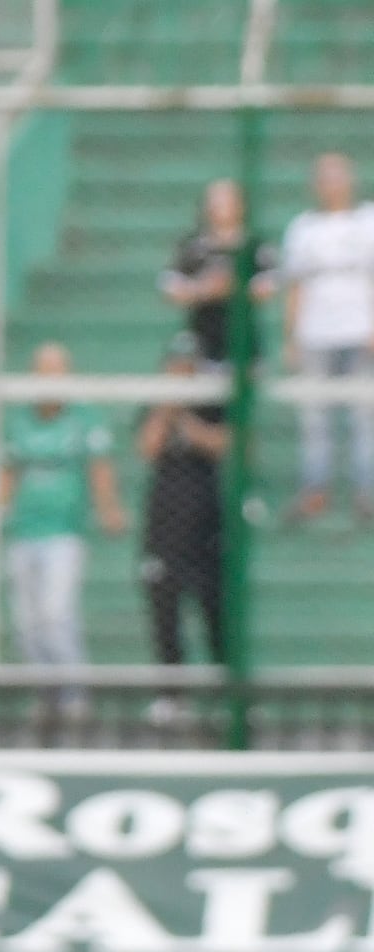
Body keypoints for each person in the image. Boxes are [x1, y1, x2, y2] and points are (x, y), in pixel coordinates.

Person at [0, 342, 126, 716]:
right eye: (43, 371)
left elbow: (100, 468)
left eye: (57, 371)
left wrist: (109, 509)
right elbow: (8, 471)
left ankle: (75, 694)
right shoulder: (20, 420)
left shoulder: (84, 419)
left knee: (56, 614)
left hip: (64, 533)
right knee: (26, 623)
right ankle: (44, 692)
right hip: (24, 532)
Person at [275, 153, 374, 520]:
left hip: (359, 330)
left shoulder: (368, 221)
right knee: (314, 416)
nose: (331, 184)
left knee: (364, 413)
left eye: (337, 176)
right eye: (324, 178)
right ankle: (315, 489)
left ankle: (366, 490)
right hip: (316, 333)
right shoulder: (303, 228)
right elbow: (296, 287)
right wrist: (291, 337)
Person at [137, 333, 229, 720]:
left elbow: (226, 444)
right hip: (164, 523)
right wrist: (167, 409)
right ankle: (172, 695)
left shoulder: (211, 404)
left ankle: (230, 693)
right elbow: (147, 448)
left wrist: (188, 420)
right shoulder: (153, 405)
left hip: (206, 520)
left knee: (216, 610)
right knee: (164, 610)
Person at [160, 178, 268, 369]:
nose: (220, 207)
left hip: (245, 343)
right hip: (202, 343)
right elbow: (170, 288)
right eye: (215, 202)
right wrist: (204, 289)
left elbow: (268, 287)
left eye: (227, 201)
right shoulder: (193, 246)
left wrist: (234, 287)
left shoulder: (253, 246)